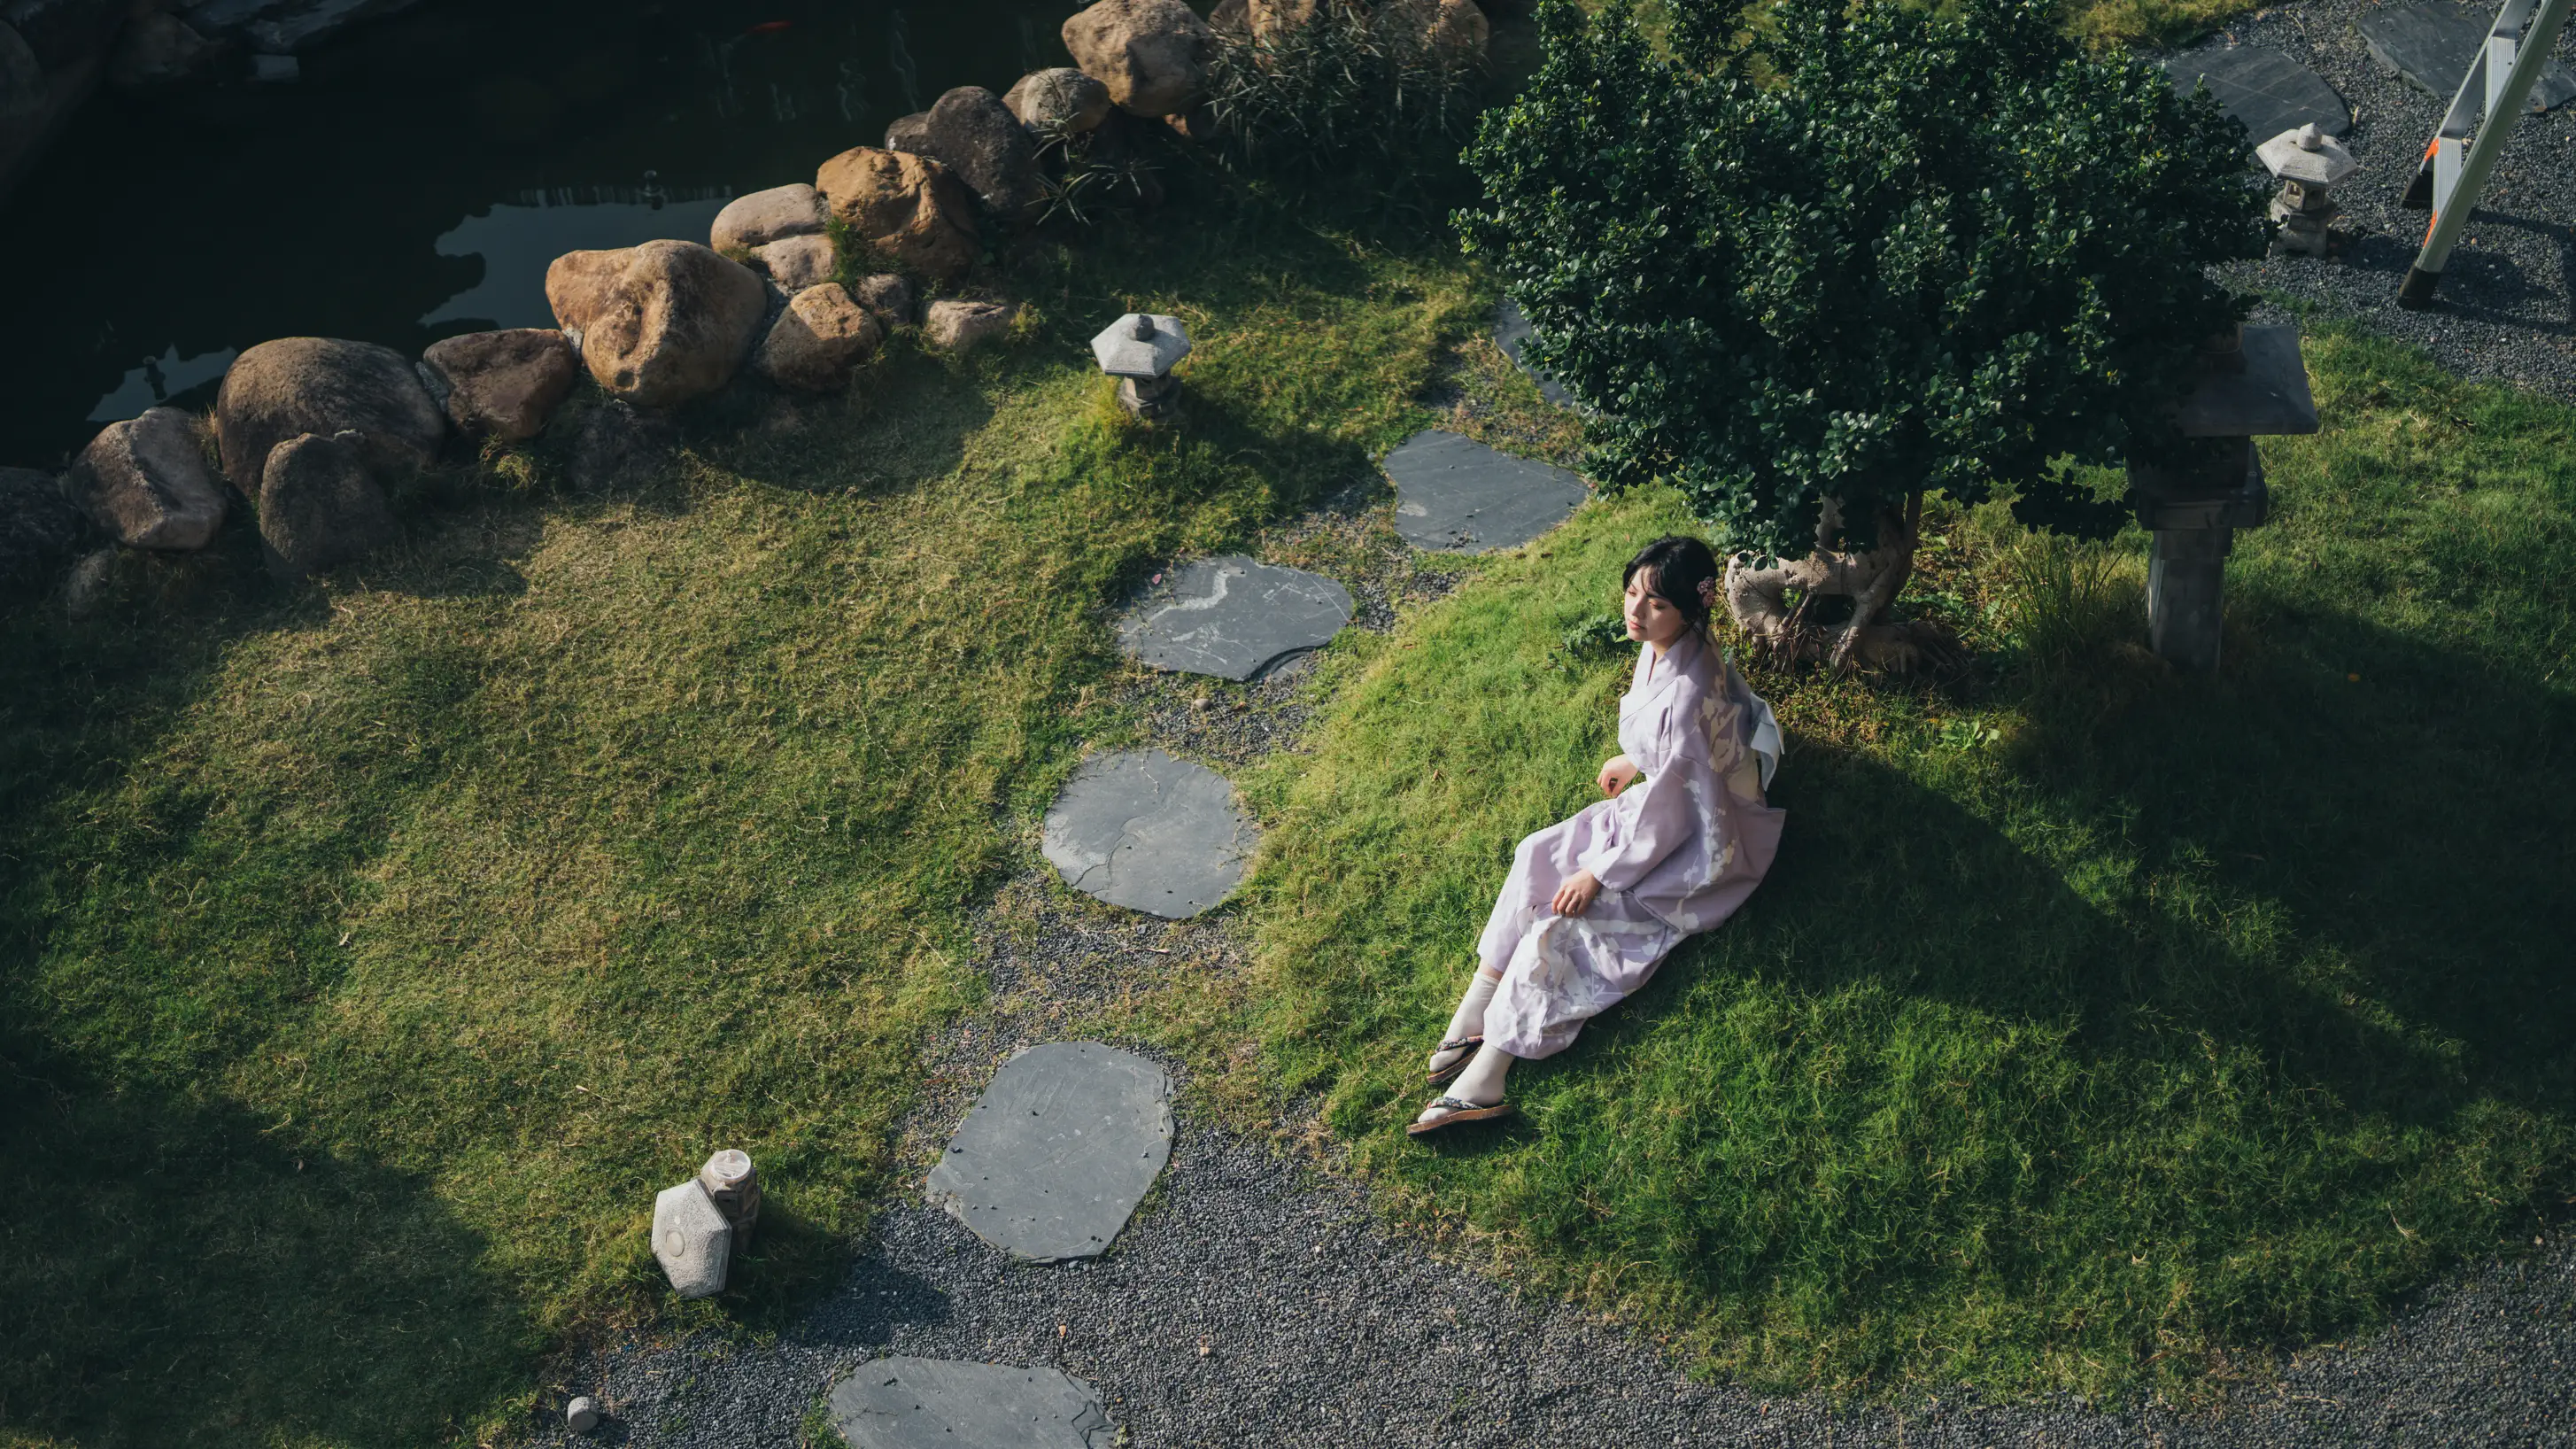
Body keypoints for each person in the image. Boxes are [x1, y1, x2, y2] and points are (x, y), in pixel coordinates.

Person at [1412, 535, 1787, 1136]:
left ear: (1691, 609)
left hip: (1702, 839)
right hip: (1672, 803)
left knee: (1569, 926)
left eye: (1655, 603)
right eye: (1631, 593)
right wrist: (1632, 760)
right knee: (1535, 851)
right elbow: (1675, 761)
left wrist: (1601, 873)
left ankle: (1487, 1076)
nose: (1635, 612)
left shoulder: (1690, 688)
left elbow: (1680, 806)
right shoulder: (1668, 647)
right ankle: (1479, 1004)